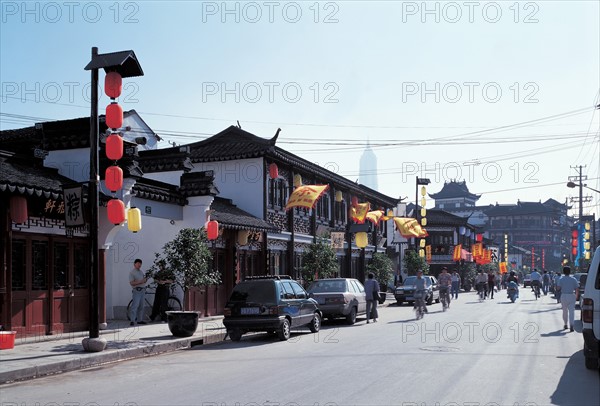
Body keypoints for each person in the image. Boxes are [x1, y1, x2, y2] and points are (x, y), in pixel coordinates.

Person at [556, 266, 579, 332]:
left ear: (563, 272)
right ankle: (571, 325)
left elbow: (558, 288)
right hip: (572, 295)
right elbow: (577, 289)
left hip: (564, 296)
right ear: (570, 272)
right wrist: (576, 296)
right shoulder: (573, 279)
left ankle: (565, 324)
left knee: (564, 311)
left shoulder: (561, 279)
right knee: (572, 311)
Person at [129, 258, 148, 326]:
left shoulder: (141, 272)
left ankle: (140, 320)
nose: (139, 265)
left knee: (141, 306)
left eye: (140, 263)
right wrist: (141, 281)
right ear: (134, 264)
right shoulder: (132, 272)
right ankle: (132, 320)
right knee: (135, 305)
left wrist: (145, 280)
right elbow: (132, 283)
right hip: (137, 290)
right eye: (138, 263)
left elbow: (143, 280)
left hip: (142, 290)